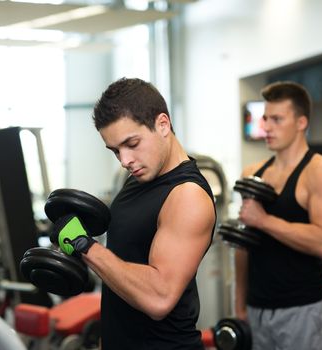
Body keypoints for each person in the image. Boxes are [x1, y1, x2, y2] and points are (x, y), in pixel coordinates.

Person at [54, 77, 216, 349]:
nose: (125, 160)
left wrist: (85, 246)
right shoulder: (139, 178)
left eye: (132, 143)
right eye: (115, 150)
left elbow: (159, 299)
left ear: (162, 124)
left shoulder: (187, 196)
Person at [235, 81, 322, 350]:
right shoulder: (253, 172)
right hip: (257, 306)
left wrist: (264, 220)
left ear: (301, 122)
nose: (266, 127)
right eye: (265, 118)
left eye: (276, 119)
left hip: (303, 308)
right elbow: (244, 245)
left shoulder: (319, 172)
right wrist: (239, 304)